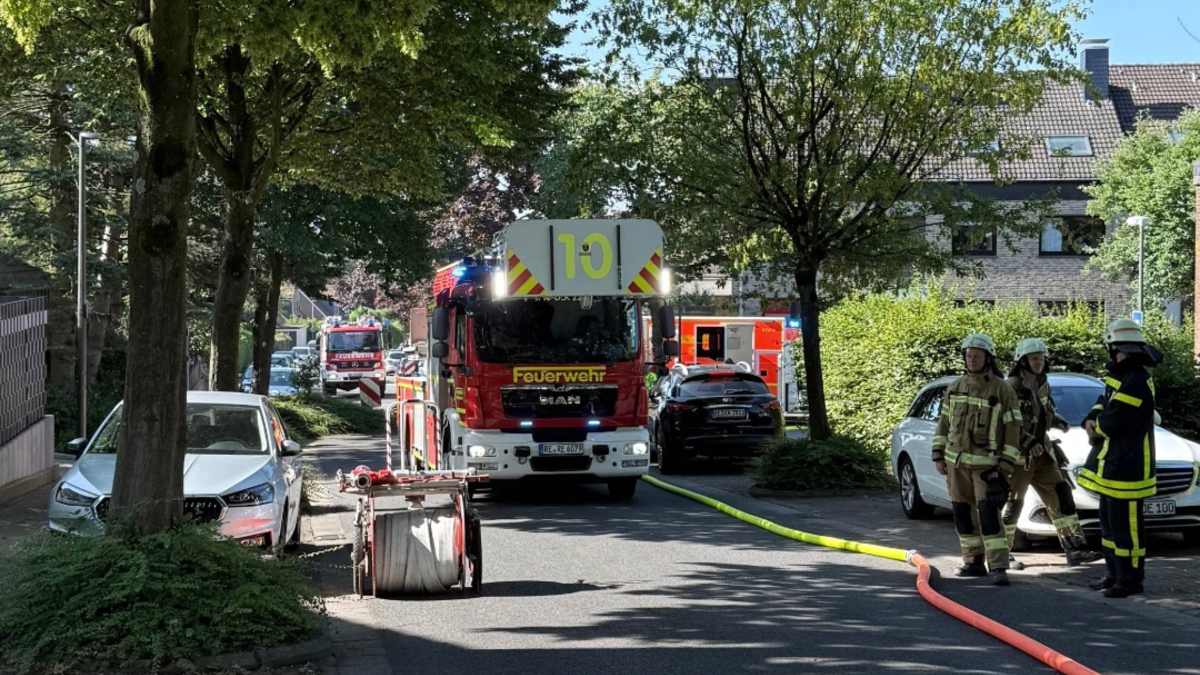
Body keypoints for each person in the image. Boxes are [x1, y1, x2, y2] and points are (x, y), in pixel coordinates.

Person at [1002, 338, 1102, 569]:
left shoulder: (1042, 383)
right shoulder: (1010, 388)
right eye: (1035, 358)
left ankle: (1075, 549)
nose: (1040, 363)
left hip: (1044, 455)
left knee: (1062, 497)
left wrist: (1057, 420)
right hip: (1018, 458)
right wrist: (1027, 443)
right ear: (1022, 361)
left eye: (1042, 358)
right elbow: (1006, 424)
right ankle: (1000, 555)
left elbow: (1045, 411)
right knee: (1011, 506)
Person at [932, 333, 1022, 586]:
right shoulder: (955, 387)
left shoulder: (1002, 390)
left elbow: (1013, 428)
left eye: (977, 356)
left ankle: (998, 567)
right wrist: (938, 455)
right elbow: (944, 424)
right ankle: (972, 561)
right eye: (969, 356)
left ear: (987, 358)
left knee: (989, 515)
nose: (972, 360)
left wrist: (1005, 464)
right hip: (956, 464)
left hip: (987, 466)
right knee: (962, 513)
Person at [1081, 318, 1162, 598]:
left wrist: (1095, 426)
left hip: (1129, 470)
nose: (1113, 354)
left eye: (1114, 349)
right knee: (1110, 527)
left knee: (1128, 532)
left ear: (1120, 348)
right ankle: (1114, 574)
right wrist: (1091, 418)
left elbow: (1116, 421)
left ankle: (1130, 581)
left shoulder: (1137, 380)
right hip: (1114, 468)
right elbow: (1104, 403)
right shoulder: (1123, 376)